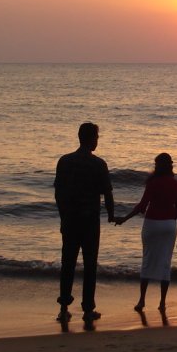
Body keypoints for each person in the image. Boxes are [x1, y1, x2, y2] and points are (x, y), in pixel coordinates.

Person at [54, 122, 115, 330]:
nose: (97, 141)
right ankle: (88, 309)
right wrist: (112, 215)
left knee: (68, 263)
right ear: (90, 139)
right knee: (89, 266)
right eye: (96, 137)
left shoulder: (64, 162)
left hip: (70, 221)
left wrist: (63, 216)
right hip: (90, 223)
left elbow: (59, 193)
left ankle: (63, 308)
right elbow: (107, 193)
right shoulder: (98, 164)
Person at [115, 153, 177, 312]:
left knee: (147, 261)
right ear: (171, 165)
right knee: (165, 264)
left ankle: (141, 301)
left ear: (158, 166)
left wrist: (124, 218)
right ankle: (162, 303)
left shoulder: (153, 183)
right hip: (169, 226)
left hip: (152, 225)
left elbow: (142, 206)